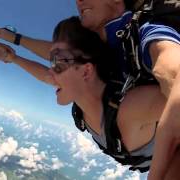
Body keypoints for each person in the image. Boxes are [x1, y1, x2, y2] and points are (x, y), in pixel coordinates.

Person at [0, 16, 180, 177]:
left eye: (57, 65)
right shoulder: (82, 100)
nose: (51, 72)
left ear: (87, 71)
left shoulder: (131, 107)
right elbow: (50, 71)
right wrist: (12, 55)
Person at [73, 0, 180, 179]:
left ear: (117, 2)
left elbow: (168, 60)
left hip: (157, 142)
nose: (78, 1)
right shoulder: (91, 47)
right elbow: (56, 56)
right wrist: (16, 41)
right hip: (133, 144)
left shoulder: (146, 29)